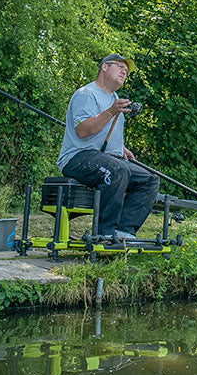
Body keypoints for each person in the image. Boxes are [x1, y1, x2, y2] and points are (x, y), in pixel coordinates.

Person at [56, 54, 159, 240]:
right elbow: (83, 130)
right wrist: (111, 111)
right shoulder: (87, 94)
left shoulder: (115, 97)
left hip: (107, 159)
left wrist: (121, 147)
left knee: (149, 179)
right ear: (104, 67)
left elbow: (105, 130)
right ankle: (105, 233)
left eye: (126, 71)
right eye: (120, 67)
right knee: (118, 169)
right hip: (77, 158)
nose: (124, 72)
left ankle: (124, 232)